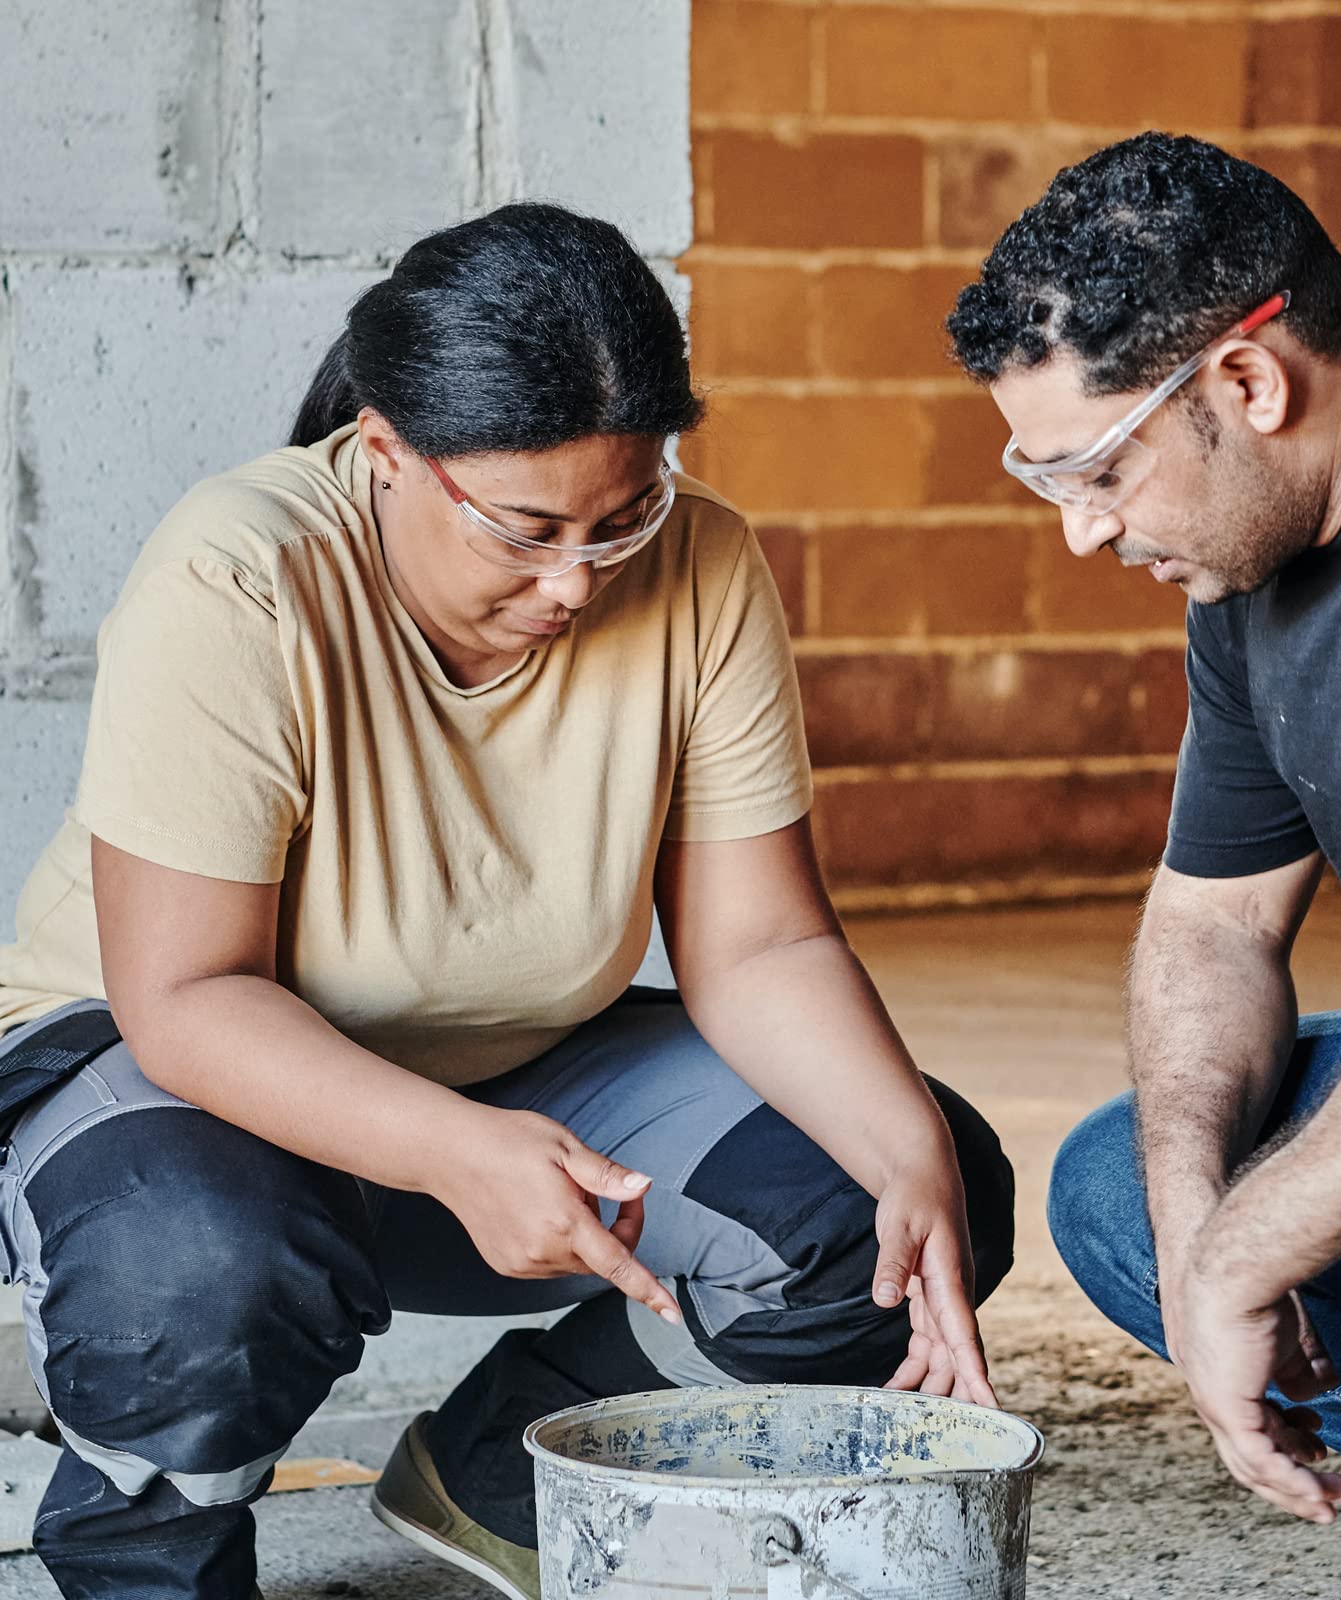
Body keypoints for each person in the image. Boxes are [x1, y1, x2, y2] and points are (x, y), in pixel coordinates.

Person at [0, 203, 1015, 1600]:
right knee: (202, 1278)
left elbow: (764, 939)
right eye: (527, 530)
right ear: (384, 458)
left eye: (621, 516)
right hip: (178, 1081)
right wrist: (457, 1151)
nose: (577, 581)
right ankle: (145, 1558)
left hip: (511, 1067)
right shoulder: (239, 574)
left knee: (884, 1200)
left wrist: (905, 1148)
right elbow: (187, 996)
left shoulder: (702, 564)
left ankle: (499, 1477)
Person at [947, 131, 1341, 1598]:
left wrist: (1250, 1259)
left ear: (1246, 383)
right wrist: (1201, 1243)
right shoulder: (1258, 542)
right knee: (1129, 1187)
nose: (1083, 529)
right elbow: (1212, 926)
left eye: (1098, 468)